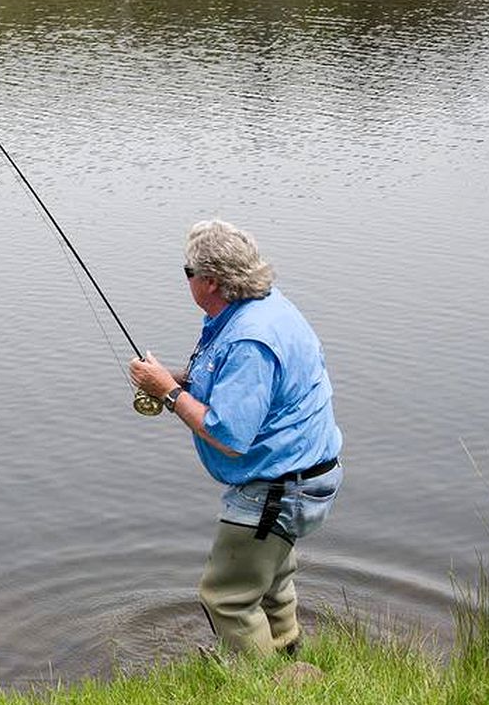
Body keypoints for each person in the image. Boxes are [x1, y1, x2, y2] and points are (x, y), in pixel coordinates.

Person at [129, 220, 342, 656]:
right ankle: (293, 666)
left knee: (226, 596)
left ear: (210, 281)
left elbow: (229, 435)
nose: (185, 280)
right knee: (272, 585)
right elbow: (240, 388)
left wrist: (167, 393)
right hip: (302, 478)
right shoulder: (266, 307)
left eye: (187, 272)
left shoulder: (250, 337)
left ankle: (261, 694)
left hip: (280, 488)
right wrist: (176, 378)